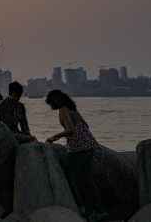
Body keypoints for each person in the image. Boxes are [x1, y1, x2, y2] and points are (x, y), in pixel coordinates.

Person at [45, 90, 104, 221]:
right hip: (89, 145)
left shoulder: (63, 110)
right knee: (87, 180)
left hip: (78, 149)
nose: (50, 106)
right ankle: (98, 210)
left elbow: (70, 130)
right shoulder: (72, 109)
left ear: (55, 101)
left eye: (50, 103)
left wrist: (54, 137)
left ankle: (86, 209)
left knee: (78, 180)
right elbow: (85, 125)